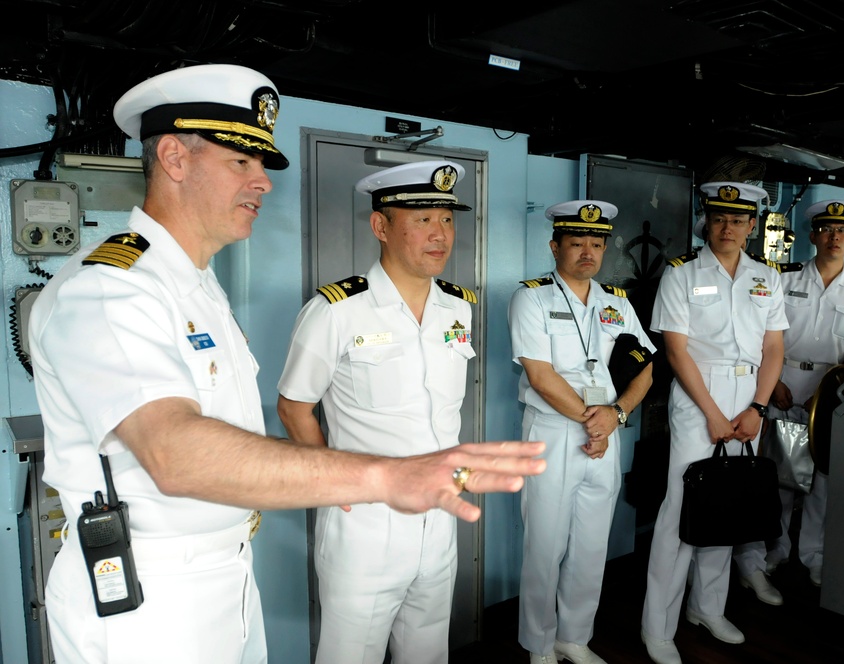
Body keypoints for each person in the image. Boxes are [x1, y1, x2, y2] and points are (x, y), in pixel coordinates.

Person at [28, 64, 545, 664]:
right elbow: (172, 452)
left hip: (224, 569)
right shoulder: (111, 288)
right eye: (240, 163)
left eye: (261, 166)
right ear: (173, 156)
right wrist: (381, 477)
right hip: (152, 594)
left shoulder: (197, 287)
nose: (263, 183)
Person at [276, 159, 485, 663]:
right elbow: (293, 406)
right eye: (422, 219)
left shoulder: (459, 306)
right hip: (366, 522)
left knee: (429, 650)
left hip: (439, 514)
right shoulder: (336, 310)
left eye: (448, 219)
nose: (440, 234)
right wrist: (333, 482)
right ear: (381, 226)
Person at [640, 182, 788, 664]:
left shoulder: (766, 276)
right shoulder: (682, 273)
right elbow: (675, 349)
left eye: (738, 219)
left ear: (751, 225)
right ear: (708, 220)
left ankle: (707, 607)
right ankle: (657, 626)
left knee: (728, 503)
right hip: (698, 396)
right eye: (719, 218)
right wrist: (712, 413)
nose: (727, 227)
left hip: (750, 400)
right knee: (681, 508)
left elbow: (773, 349)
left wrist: (758, 408)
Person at [509, 201, 655, 664]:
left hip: (605, 435)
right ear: (555, 246)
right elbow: (540, 374)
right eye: (576, 243)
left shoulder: (617, 301)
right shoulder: (532, 297)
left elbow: (646, 369)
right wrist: (596, 419)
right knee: (545, 545)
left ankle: (574, 637)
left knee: (592, 545)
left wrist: (616, 414)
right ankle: (538, 643)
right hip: (552, 431)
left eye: (596, 243)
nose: (587, 251)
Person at [759, 200, 844, 588]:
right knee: (779, 476)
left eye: (842, 231)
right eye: (827, 230)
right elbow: (766, 335)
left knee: (821, 482)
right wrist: (773, 383)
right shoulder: (784, 278)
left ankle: (813, 555)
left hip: (829, 392)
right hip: (782, 385)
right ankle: (776, 550)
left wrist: (832, 390)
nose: (834, 238)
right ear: (813, 236)